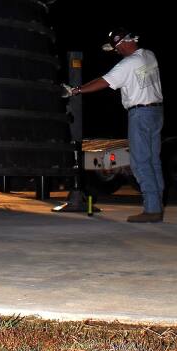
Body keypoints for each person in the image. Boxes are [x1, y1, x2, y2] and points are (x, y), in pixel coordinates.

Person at [70, 27, 164, 223]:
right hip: (156, 112)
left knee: (140, 162)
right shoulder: (149, 55)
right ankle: (157, 204)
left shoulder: (128, 63)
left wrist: (77, 90)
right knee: (153, 161)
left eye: (116, 48)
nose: (117, 52)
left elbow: (103, 81)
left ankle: (152, 209)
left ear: (124, 43)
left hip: (140, 114)